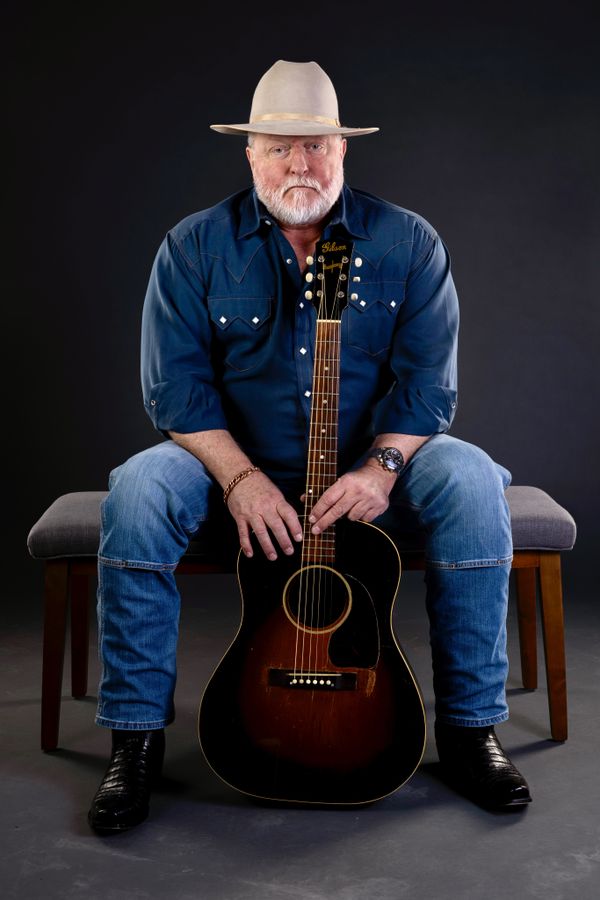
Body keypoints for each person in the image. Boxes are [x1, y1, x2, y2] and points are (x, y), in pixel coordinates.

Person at [88, 60, 531, 834]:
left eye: (316, 145)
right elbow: (175, 391)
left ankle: (470, 732)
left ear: (342, 150)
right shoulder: (193, 247)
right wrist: (238, 478)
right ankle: (136, 741)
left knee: (467, 478)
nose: (300, 164)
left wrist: (382, 468)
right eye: (280, 147)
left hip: (371, 466)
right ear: (250, 153)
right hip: (231, 465)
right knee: (138, 488)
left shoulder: (407, 242)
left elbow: (430, 387)